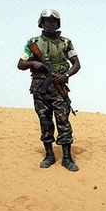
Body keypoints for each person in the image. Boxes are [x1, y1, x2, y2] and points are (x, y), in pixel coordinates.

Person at [17, 9, 81, 172]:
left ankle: (67, 158)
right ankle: (49, 155)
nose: (51, 23)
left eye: (54, 21)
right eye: (47, 21)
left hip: (59, 89)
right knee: (45, 122)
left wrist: (65, 76)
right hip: (40, 89)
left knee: (63, 122)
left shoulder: (65, 42)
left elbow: (76, 64)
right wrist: (33, 64)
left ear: (57, 23)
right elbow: (20, 64)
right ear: (42, 23)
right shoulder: (33, 42)